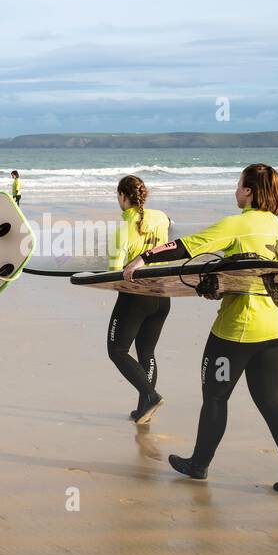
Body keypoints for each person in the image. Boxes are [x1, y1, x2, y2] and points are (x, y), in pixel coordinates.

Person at [123, 164, 278, 494]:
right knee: (272, 402)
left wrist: (144, 259)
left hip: (236, 331)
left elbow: (186, 246)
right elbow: (262, 275)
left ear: (249, 191)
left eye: (238, 185)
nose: (235, 191)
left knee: (216, 397)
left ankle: (199, 465)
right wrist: (219, 285)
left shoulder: (236, 224)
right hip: (275, 329)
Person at [106, 175, 171, 425]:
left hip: (135, 297)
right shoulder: (162, 217)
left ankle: (151, 395)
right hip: (162, 294)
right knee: (146, 351)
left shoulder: (123, 227)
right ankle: (144, 407)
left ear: (123, 196)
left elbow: (114, 270)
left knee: (117, 350)